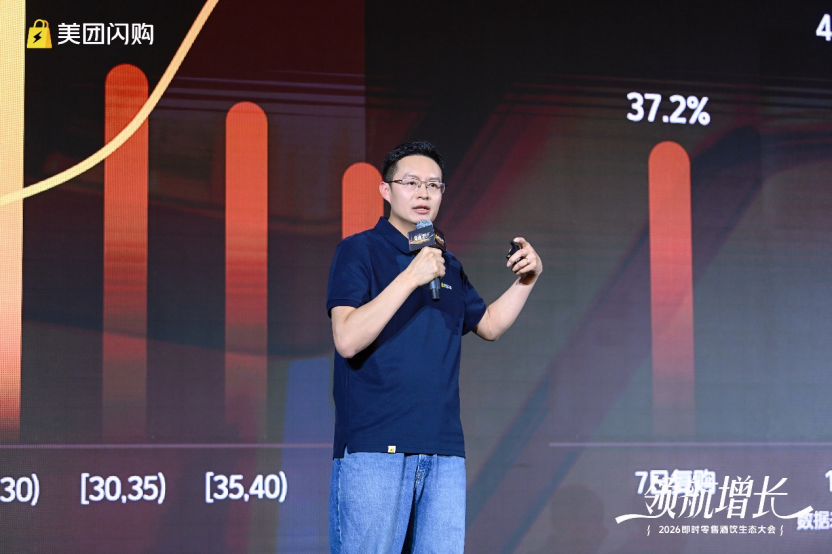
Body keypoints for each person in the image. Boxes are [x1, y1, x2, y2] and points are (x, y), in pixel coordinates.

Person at [326, 140, 542, 553]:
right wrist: (410, 277)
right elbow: (347, 339)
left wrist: (526, 281)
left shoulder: (446, 263)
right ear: (386, 190)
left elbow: (489, 325)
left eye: (434, 185)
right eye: (411, 182)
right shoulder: (358, 250)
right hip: (376, 448)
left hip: (443, 451)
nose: (423, 192)